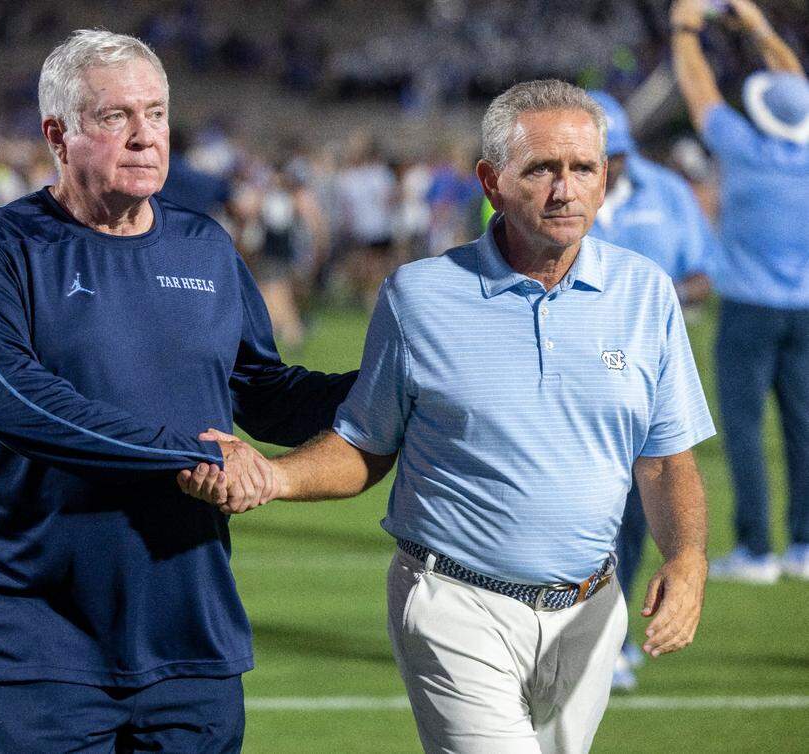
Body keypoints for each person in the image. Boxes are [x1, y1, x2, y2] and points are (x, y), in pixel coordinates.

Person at [182, 79, 715, 753]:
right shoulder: (420, 297)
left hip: (592, 611)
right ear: (491, 182)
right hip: (455, 604)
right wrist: (273, 476)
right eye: (542, 169)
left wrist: (689, 558)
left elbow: (667, 460)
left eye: (583, 169)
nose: (565, 190)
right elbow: (365, 445)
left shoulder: (646, 294)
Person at [0, 29, 355, 753]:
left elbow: (264, 393)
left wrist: (393, 386)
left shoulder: (203, 244)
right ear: (58, 135)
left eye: (157, 114)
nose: (144, 137)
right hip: (48, 643)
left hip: (193, 640)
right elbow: (18, 405)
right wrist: (188, 454)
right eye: (115, 117)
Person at [671, 0, 809, 583]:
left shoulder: (741, 147)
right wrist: (757, 25)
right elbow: (795, 86)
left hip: (750, 308)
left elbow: (697, 85)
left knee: (746, 431)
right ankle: (804, 546)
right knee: (803, 427)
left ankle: (755, 549)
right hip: (805, 309)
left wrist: (685, 25)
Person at [586, 89, 718, 692]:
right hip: (561, 377)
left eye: (613, 154)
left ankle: (609, 636)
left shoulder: (664, 193)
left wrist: (656, 305)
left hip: (642, 377)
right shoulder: (548, 197)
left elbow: (700, 272)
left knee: (637, 513)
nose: (609, 166)